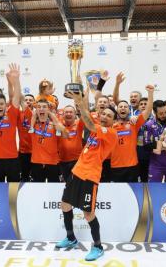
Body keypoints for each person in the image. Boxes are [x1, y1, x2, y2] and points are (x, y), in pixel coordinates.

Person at [56, 88, 117, 261]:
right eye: (103, 114)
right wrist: (80, 101)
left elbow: (88, 123)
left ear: (113, 121)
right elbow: (88, 119)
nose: (104, 117)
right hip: (76, 172)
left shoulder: (111, 133)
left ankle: (98, 247)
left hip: (90, 176)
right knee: (65, 206)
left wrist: (79, 102)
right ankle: (71, 238)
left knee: (88, 213)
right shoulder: (97, 126)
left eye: (109, 116)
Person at [110, 85, 154, 182]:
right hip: (115, 166)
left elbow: (147, 111)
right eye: (120, 107)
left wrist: (150, 93)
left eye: (125, 107)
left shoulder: (134, 124)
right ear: (117, 111)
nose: (123, 108)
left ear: (129, 111)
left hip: (132, 166)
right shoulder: (111, 126)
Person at [29, 100, 67, 182]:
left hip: (53, 163)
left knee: (54, 190)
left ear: (48, 110)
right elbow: (33, 114)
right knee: (36, 190)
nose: (41, 109)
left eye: (44, 107)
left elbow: (65, 134)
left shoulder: (54, 124)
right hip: (37, 162)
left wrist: (50, 114)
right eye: (39, 107)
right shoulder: (33, 124)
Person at [58, 105, 84, 182]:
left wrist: (80, 104)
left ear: (75, 114)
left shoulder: (79, 124)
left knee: (75, 183)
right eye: (66, 112)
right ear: (62, 114)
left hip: (77, 161)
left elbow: (85, 115)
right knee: (63, 184)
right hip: (61, 161)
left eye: (71, 112)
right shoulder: (58, 125)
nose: (68, 114)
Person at [18, 94, 34, 181]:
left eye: (30, 100)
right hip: (22, 151)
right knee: (24, 178)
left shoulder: (37, 115)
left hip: (35, 151)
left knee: (35, 179)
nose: (28, 101)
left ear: (34, 102)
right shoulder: (18, 114)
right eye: (26, 100)